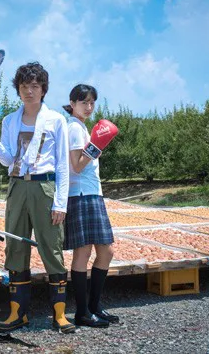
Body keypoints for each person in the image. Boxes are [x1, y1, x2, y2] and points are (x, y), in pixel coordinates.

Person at [0, 62, 75, 334]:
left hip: (44, 188)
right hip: (17, 188)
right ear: (18, 90)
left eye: (35, 86)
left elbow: (62, 166)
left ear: (43, 89)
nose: (29, 91)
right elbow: (9, 160)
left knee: (51, 247)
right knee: (16, 248)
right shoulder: (11, 120)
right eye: (24, 86)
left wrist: (61, 203)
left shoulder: (57, 120)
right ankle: (17, 313)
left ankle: (59, 314)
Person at [62, 84, 120, 327]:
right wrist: (96, 147)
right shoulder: (74, 128)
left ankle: (93, 307)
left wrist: (95, 147)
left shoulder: (81, 126)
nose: (88, 107)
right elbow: (76, 165)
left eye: (91, 102)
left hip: (91, 193)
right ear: (72, 103)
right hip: (82, 194)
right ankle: (84, 312)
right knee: (85, 252)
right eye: (83, 102)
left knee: (105, 251)